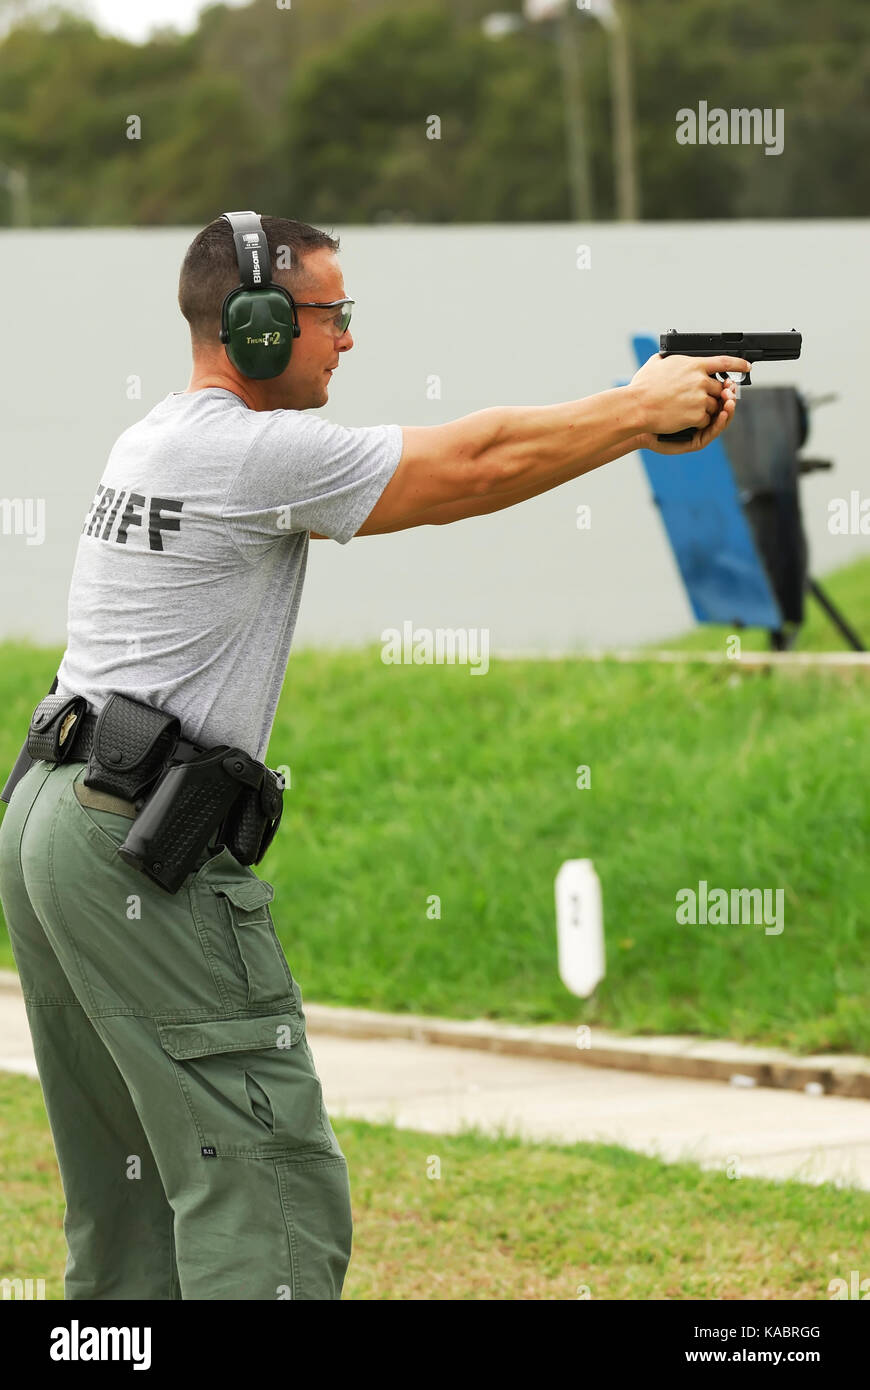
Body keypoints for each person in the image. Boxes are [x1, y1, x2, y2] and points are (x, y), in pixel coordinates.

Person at [0, 212, 749, 1301]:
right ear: (258, 327)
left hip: (54, 818)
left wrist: (632, 423)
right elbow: (477, 464)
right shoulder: (249, 451)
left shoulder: (156, 436)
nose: (347, 339)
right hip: (134, 841)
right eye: (330, 315)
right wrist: (641, 409)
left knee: (133, 1200)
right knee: (270, 1193)